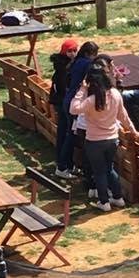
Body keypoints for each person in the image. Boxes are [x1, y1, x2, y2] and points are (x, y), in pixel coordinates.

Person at [70, 66, 139, 211]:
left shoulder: (92, 100)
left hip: (94, 141)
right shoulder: (115, 94)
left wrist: (82, 89)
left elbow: (73, 109)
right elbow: (123, 116)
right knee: (109, 169)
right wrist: (133, 130)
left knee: (99, 171)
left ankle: (104, 202)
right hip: (112, 139)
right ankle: (118, 198)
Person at [57, 41, 99, 179]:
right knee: (71, 136)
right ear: (88, 54)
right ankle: (62, 167)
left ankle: (68, 165)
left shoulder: (77, 61)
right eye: (94, 54)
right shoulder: (87, 64)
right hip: (75, 102)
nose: (95, 57)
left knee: (70, 134)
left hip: (68, 99)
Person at [49, 39, 79, 177]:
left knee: (64, 133)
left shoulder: (63, 65)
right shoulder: (64, 68)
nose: (73, 53)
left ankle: (67, 164)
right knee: (67, 134)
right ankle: (63, 165)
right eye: (69, 51)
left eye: (75, 50)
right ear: (64, 52)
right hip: (63, 104)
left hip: (61, 103)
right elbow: (63, 87)